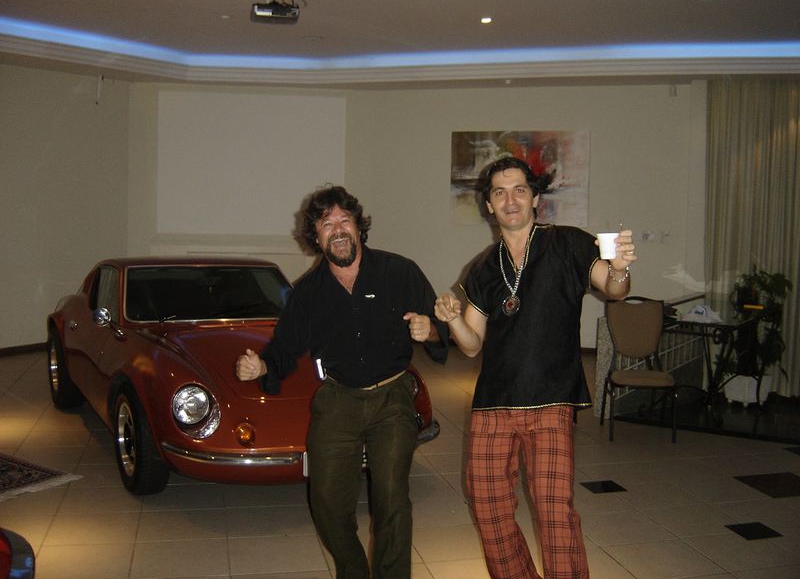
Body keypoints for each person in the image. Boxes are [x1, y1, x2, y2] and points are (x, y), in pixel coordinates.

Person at [434, 157, 636, 579]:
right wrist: (452, 319)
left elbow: (614, 289)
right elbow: (471, 346)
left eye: (519, 190)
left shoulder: (567, 243)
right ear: (489, 204)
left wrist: (619, 270)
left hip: (551, 399)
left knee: (553, 512)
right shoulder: (483, 268)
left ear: (535, 198)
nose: (510, 200)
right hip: (493, 404)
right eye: (500, 192)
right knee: (488, 507)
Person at [236, 185, 449, 579]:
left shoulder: (400, 271)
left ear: (358, 226)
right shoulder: (307, 293)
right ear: (316, 237)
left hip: (392, 396)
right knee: (327, 505)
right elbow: (284, 349)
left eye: (344, 220)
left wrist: (430, 330)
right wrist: (262, 366)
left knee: (392, 501)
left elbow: (439, 332)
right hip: (337, 398)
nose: (337, 229)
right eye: (326, 223)